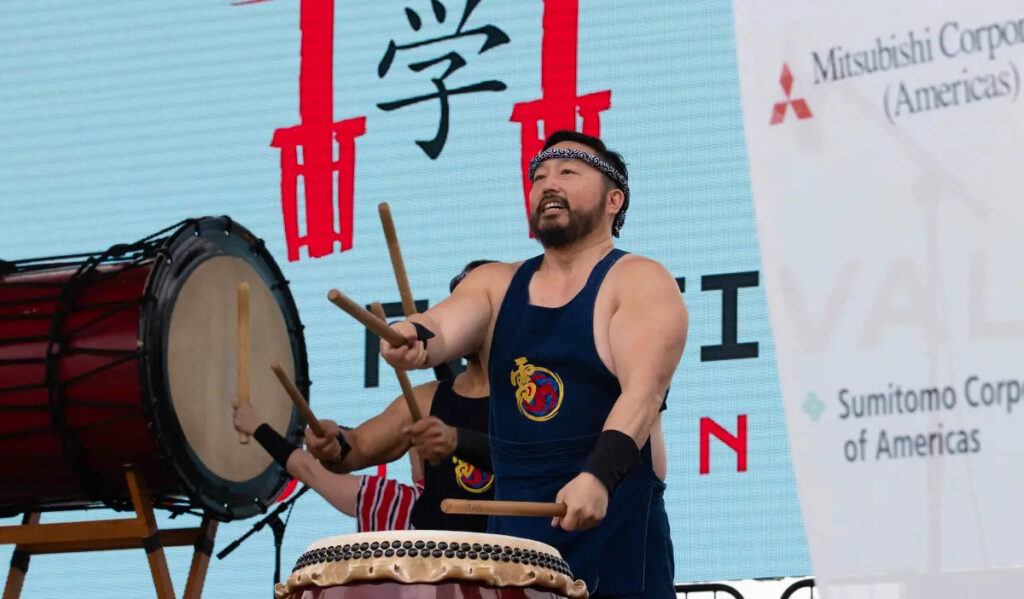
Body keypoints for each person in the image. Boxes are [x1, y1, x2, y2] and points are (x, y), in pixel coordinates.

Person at [379, 131, 687, 597]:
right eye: (538, 176)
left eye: (568, 172)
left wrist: (598, 478)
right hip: (516, 547)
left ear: (613, 200)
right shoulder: (496, 285)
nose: (548, 183)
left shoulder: (641, 281)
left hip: (615, 527)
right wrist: (416, 335)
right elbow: (445, 324)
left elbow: (643, 395)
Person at [235, 260, 497, 532]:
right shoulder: (426, 400)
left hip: (523, 561)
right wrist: (335, 445)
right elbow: (358, 445)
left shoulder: (535, 389)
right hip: (441, 563)